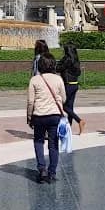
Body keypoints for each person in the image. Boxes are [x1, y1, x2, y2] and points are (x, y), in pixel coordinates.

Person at [26, 54, 66, 183]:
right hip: (54, 116)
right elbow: (64, 98)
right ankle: (52, 172)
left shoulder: (34, 80)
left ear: (40, 65)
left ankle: (41, 168)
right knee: (53, 144)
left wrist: (29, 116)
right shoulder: (58, 79)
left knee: (38, 141)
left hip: (38, 115)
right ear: (54, 64)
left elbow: (31, 101)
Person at [56, 44, 86, 135]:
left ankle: (79, 120)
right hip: (75, 84)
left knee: (63, 106)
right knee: (70, 107)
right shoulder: (76, 59)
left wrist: (60, 63)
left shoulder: (67, 59)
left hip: (67, 84)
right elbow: (79, 72)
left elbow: (58, 68)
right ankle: (69, 128)